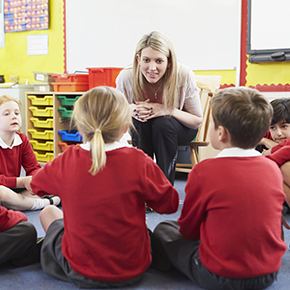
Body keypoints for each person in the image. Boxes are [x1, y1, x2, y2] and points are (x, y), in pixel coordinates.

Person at [29, 86, 179, 288]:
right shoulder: (139, 160)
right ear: (126, 127)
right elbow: (169, 205)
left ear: (80, 127)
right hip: (133, 269)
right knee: (147, 230)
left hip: (79, 270)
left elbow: (37, 186)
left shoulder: (66, 160)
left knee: (48, 212)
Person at [151, 87, 287, 290]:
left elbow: (189, 229)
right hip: (269, 273)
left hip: (219, 276)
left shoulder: (204, 171)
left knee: (165, 229)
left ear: (221, 133)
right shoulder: (271, 168)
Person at [116, 31, 203, 184]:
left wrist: (167, 110)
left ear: (169, 62)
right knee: (141, 121)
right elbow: (115, 114)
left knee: (163, 122)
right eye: (146, 60)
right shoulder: (126, 77)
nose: (152, 67)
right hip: (144, 127)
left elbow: (196, 120)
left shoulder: (183, 74)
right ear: (138, 59)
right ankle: (144, 185)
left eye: (159, 61)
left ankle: (164, 187)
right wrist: (131, 110)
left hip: (180, 128)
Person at [0, 95, 60, 211]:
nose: (14, 117)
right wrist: (21, 181)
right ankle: (43, 203)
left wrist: (37, 179)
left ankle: (27, 202)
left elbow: (33, 167)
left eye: (17, 113)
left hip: (14, 188)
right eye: (7, 114)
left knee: (50, 181)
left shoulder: (22, 139)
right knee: (2, 192)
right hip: (5, 189)